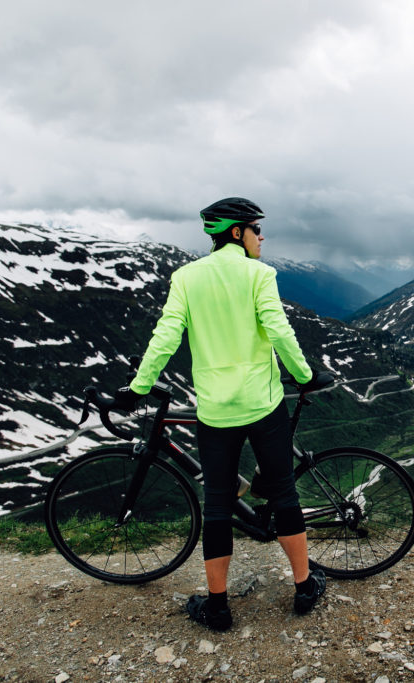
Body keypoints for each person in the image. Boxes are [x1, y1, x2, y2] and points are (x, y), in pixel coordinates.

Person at [117, 197, 327, 631]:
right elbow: (278, 329)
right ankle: (304, 588)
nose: (262, 237)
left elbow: (166, 336)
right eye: (257, 229)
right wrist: (303, 375)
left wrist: (138, 387)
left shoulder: (186, 278)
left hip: (215, 410)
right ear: (237, 233)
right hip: (263, 404)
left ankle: (218, 606)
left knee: (216, 504)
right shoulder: (259, 274)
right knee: (284, 494)